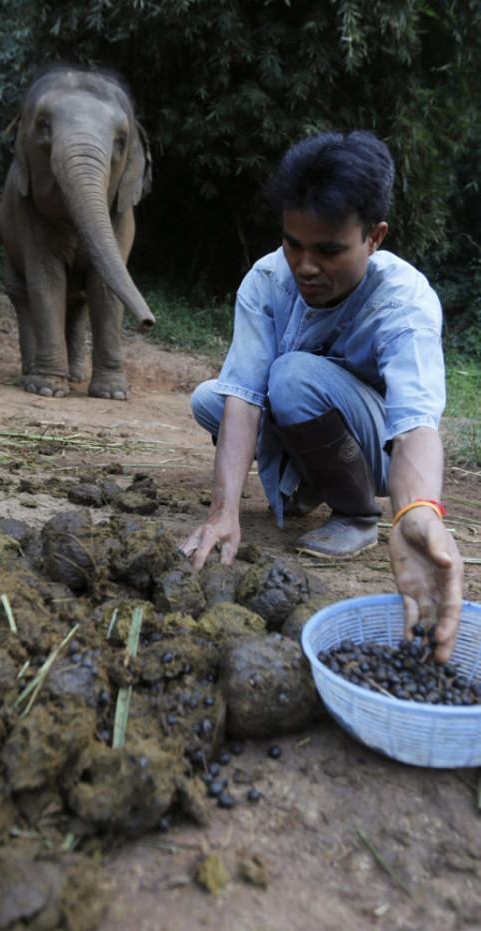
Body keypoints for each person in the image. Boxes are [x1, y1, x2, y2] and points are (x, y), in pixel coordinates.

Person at [179, 130, 464, 663]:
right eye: (294, 244)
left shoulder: (404, 304)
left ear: (375, 237)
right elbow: (241, 396)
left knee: (290, 379)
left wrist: (418, 512)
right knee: (209, 399)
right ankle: (308, 481)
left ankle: (357, 515)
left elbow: (415, 427)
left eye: (328, 250)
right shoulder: (267, 279)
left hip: (377, 450)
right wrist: (224, 511)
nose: (306, 266)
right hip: (311, 415)